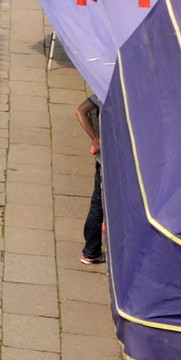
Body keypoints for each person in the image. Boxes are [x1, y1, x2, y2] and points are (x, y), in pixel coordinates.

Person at [77, 92, 105, 267]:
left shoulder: (104, 89)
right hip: (116, 161)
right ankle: (91, 250)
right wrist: (96, 139)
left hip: (103, 159)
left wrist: (95, 139)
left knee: (98, 202)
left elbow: (81, 111)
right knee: (99, 206)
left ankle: (92, 250)